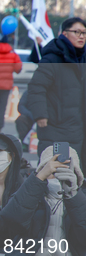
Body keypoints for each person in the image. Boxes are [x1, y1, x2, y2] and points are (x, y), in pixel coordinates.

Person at [27, 17, 86, 164]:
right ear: (64, 34)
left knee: (76, 174)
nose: (81, 36)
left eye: (84, 33)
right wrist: (40, 114)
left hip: (78, 127)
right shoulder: (53, 59)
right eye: (77, 32)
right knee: (58, 172)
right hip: (56, 127)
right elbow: (36, 87)